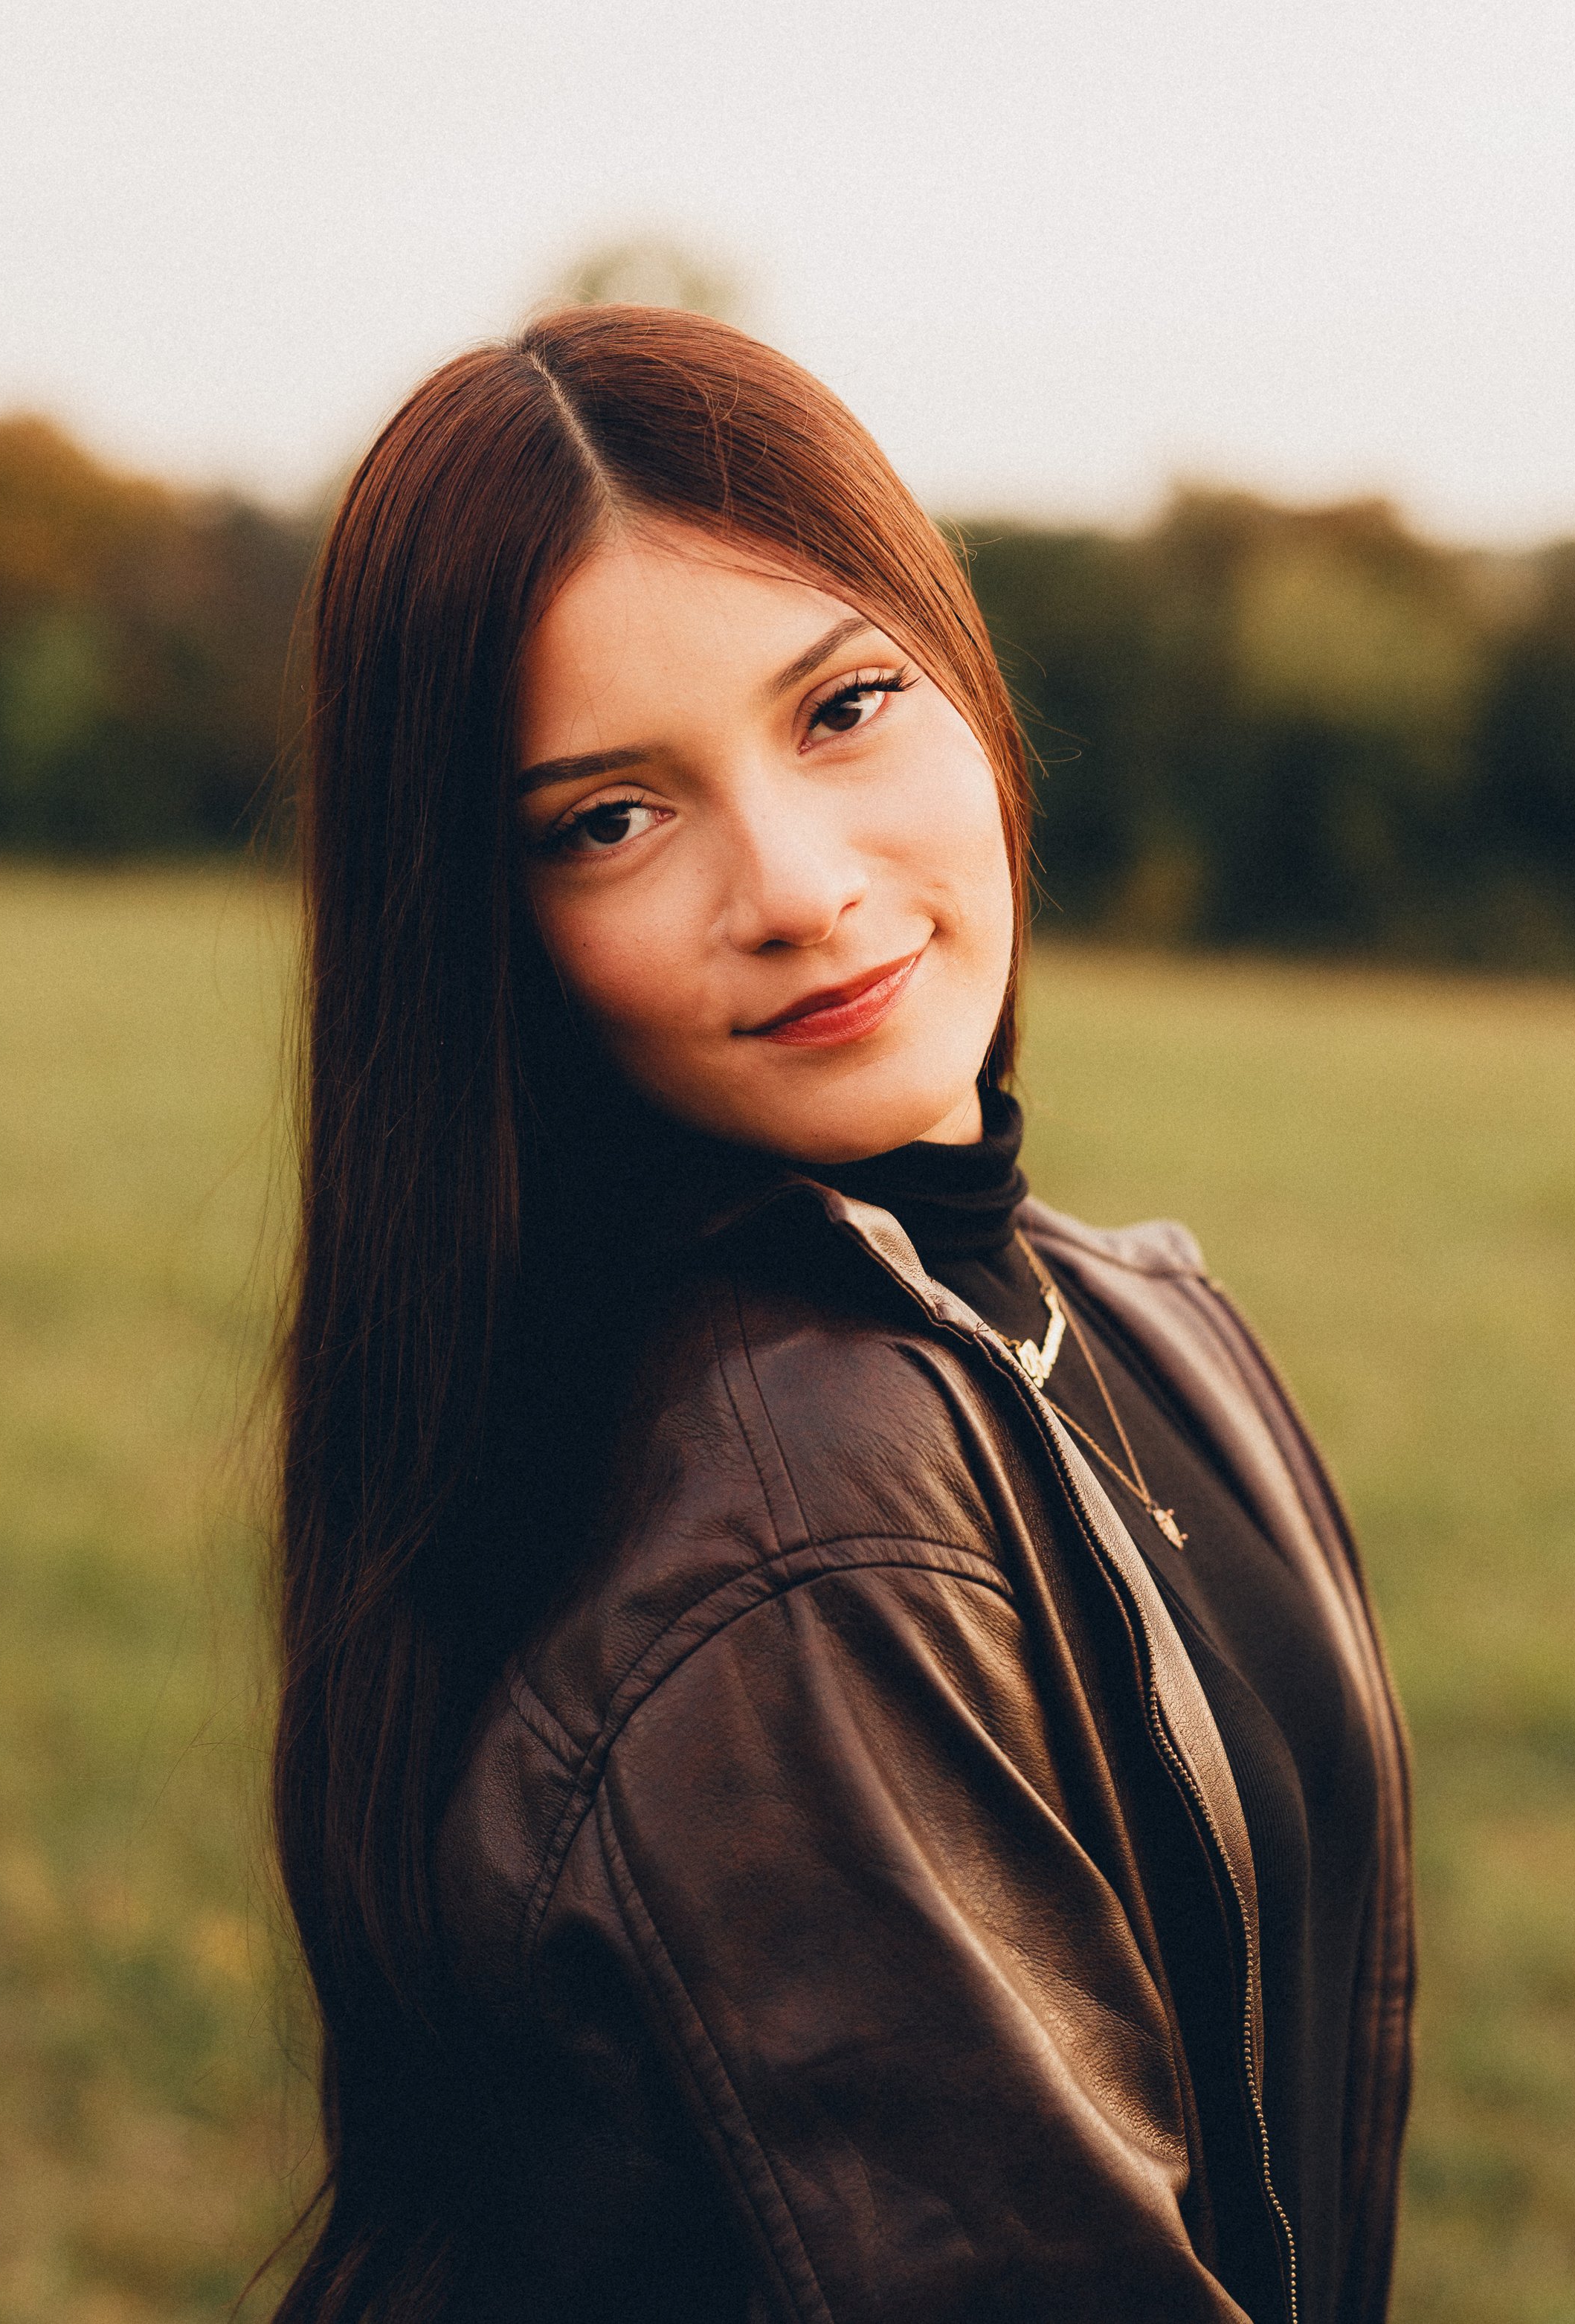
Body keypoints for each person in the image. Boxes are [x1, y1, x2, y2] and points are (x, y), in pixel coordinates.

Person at [270, 304, 1412, 2324]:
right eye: (607, 819)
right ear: (483, 925)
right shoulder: (797, 1522)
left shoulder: (1118, 1309)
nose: (794, 884)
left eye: (841, 708)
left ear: (966, 682)